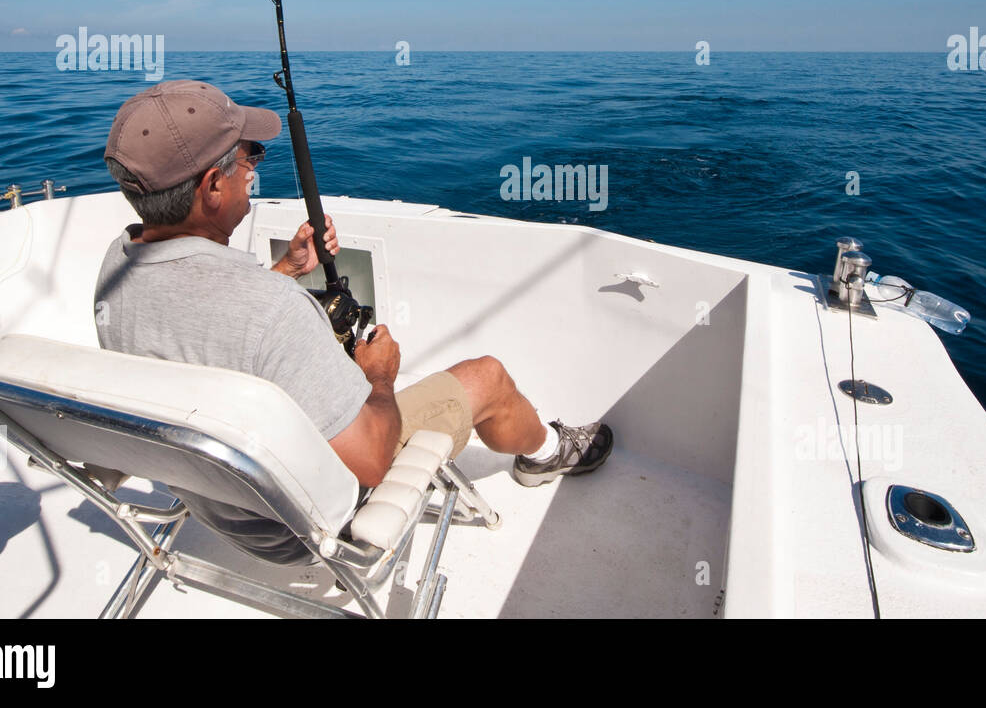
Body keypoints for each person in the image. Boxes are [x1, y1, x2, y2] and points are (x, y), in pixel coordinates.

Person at [94, 79, 612, 563]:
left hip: (219, 504)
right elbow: (370, 461)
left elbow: (205, 327)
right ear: (212, 186)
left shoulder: (115, 270)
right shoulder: (273, 310)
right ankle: (546, 455)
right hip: (296, 528)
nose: (253, 169)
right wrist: (379, 376)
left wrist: (288, 270)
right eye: (248, 158)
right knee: (489, 376)